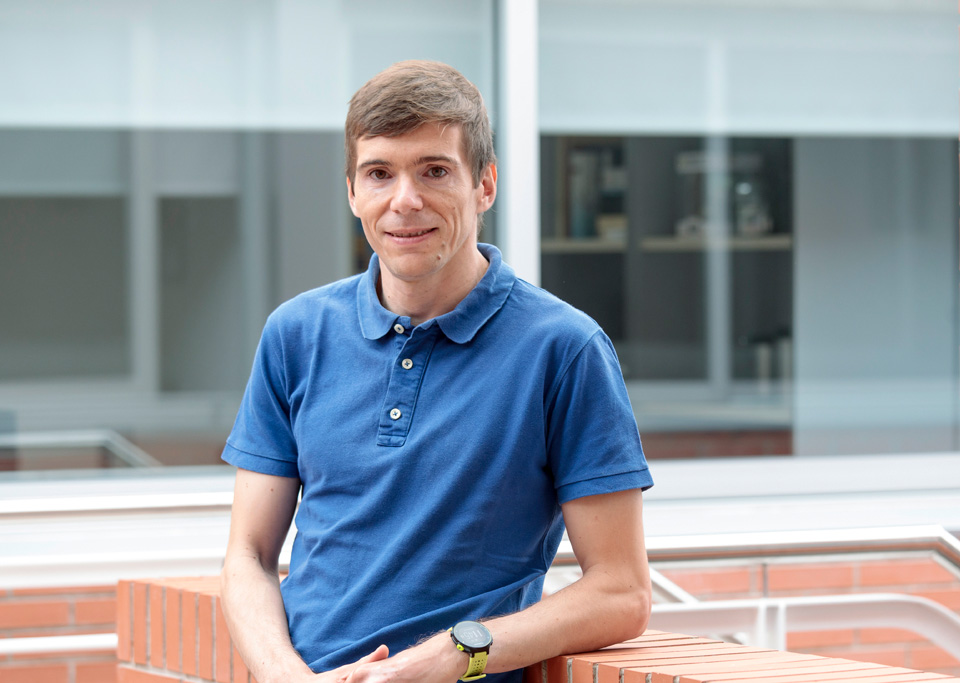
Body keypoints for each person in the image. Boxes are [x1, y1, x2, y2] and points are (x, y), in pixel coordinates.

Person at [220, 59, 653, 683]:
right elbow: (249, 557)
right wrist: (285, 676)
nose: (405, 200)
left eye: (435, 171)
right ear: (352, 192)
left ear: (485, 185)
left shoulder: (563, 349)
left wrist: (451, 654)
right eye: (379, 173)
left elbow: (621, 591)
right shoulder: (296, 333)